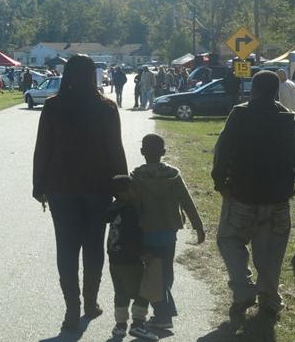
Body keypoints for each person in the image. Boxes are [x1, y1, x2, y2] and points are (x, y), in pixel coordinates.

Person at [33, 54, 128, 331]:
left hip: (61, 187)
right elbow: (115, 149)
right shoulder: (106, 107)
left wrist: (38, 185)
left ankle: (71, 310)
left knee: (66, 247)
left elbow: (43, 149)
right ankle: (90, 302)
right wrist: (122, 185)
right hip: (98, 187)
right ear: (92, 75)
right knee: (93, 246)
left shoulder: (53, 107)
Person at [212, 70, 295, 325]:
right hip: (277, 201)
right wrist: (285, 182)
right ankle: (269, 301)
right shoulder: (289, 120)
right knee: (271, 256)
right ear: (277, 91)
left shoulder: (240, 114)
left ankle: (242, 289)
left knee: (229, 239)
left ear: (252, 89)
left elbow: (222, 149)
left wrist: (221, 183)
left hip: (241, 195)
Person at [131, 134, 205, 330]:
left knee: (151, 273)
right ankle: (163, 304)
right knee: (166, 270)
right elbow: (187, 201)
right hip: (169, 231)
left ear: (142, 152)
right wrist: (198, 225)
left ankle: (162, 313)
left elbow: (133, 205)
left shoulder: (137, 176)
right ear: (163, 152)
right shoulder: (173, 175)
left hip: (146, 231)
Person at [105, 175, 158, 341]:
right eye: (133, 189)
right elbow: (131, 237)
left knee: (120, 292)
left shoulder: (114, 209)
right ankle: (138, 324)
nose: (136, 191)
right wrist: (143, 253)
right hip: (129, 260)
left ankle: (120, 326)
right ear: (123, 194)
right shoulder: (130, 212)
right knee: (144, 290)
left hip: (114, 258)